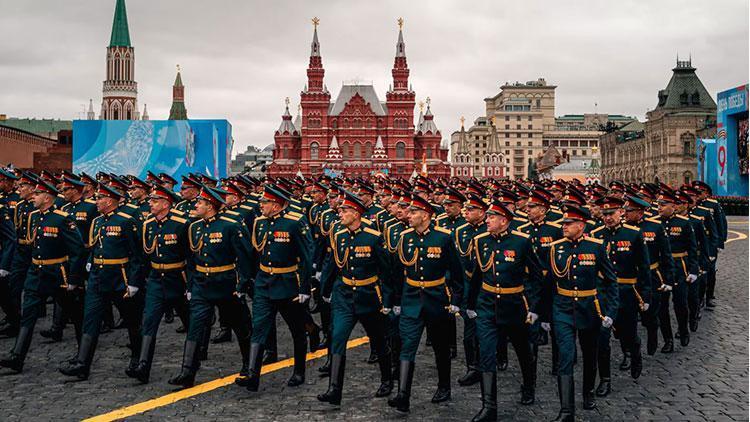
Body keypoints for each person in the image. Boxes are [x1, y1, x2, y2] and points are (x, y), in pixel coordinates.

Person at [168, 187, 253, 388]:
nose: (195, 206)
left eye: (199, 203)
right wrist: (190, 285)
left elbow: (245, 257)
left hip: (226, 285)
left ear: (210, 206)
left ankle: (249, 365)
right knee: (195, 327)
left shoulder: (230, 226)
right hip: (202, 285)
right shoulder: (194, 227)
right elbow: (191, 259)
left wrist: (241, 284)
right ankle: (187, 371)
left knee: (240, 326)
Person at [466, 199, 543, 422]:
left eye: (491, 218)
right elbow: (477, 275)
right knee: (487, 353)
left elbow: (537, 277)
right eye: (487, 217)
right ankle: (489, 407)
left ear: (504, 221)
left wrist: (535, 308)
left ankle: (529, 385)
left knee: (522, 350)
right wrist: (470, 305)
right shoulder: (480, 241)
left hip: (514, 305)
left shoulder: (522, 241)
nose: (487, 221)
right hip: (487, 305)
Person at [59, 184, 145, 380]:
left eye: (99, 199)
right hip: (98, 277)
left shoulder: (126, 221)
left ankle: (137, 359)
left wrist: (134, 282)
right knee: (90, 320)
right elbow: (94, 247)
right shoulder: (97, 221)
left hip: (119, 278)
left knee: (131, 320)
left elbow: (136, 255)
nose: (96, 202)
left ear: (109, 201)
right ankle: (82, 363)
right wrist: (90, 263)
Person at [387, 194, 463, 413]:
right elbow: (396, 272)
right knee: (407, 345)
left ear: (426, 215)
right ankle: (403, 394)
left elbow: (456, 272)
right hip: (411, 298)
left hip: (436, 298)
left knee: (440, 346)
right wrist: (396, 300)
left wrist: (456, 300)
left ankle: (444, 386)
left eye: (413, 213)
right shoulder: (404, 237)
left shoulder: (443, 238)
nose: (408, 216)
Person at [0, 180, 85, 372]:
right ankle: (17, 356)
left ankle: (82, 357)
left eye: (37, 195)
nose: (33, 197)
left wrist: (73, 278)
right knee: (28, 314)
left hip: (57, 273)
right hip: (36, 272)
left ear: (47, 198)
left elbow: (78, 250)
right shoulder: (34, 216)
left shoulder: (62, 218)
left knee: (74, 313)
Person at [317, 191, 393, 406]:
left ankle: (387, 379)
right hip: (344, 295)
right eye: (340, 210)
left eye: (344, 210)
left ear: (356, 213)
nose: (340, 213)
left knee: (378, 340)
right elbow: (333, 262)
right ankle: (334, 389)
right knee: (338, 338)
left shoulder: (374, 237)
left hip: (369, 296)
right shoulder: (338, 234)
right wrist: (325, 290)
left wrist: (388, 301)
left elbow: (386, 272)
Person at [544, 205, 618, 421]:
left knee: (589, 355)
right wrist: (545, 316)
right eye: (564, 224)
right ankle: (566, 411)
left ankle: (588, 392)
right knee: (565, 357)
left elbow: (611, 281)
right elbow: (548, 285)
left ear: (581, 225)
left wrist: (610, 312)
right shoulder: (555, 248)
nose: (564, 227)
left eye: (569, 224)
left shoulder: (596, 247)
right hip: (563, 309)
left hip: (589, 308)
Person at [244, 185, 312, 392]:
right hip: (265, 283)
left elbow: (306, 257)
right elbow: (255, 254)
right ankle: (253, 374)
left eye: (264, 202)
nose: (260, 206)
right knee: (259, 327)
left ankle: (299, 370)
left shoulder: (294, 222)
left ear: (275, 205)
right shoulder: (260, 222)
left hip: (288, 284)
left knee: (297, 329)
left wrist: (304, 289)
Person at [125, 185, 191, 384]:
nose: (150, 204)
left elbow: (191, 257)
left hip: (177, 279)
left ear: (165, 204)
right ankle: (143, 366)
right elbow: (143, 257)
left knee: (190, 321)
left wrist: (192, 287)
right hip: (156, 279)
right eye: (151, 200)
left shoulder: (182, 224)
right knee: (149, 322)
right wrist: (135, 282)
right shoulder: (148, 225)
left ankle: (192, 360)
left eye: (154, 201)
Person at [589, 196, 651, 398]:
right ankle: (605, 380)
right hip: (604, 294)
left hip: (626, 292)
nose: (607, 218)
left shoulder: (633, 235)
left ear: (621, 213)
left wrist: (645, 295)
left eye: (611, 214)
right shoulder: (596, 235)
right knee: (602, 338)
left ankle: (635, 352)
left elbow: (644, 267)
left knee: (628, 332)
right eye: (604, 214)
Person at [623, 195, 675, 355]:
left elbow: (666, 255)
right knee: (627, 318)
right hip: (630, 279)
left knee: (655, 313)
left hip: (652, 277)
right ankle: (629, 352)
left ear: (639, 212)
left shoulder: (655, 227)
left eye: (629, 211)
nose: (625, 213)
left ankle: (665, 339)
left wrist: (668, 280)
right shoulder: (622, 229)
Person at [657, 191, 697, 352]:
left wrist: (693, 270)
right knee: (662, 306)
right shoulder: (654, 223)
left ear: (673, 206)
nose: (659, 207)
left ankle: (683, 329)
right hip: (661, 269)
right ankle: (668, 339)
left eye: (663, 205)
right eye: (658, 204)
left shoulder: (684, 223)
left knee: (680, 302)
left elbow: (693, 249)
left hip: (680, 266)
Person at [454, 193, 487, 387]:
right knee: (469, 332)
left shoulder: (489, 229)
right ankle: (472, 367)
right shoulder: (461, 231)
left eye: (471, 210)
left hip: (487, 286)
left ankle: (491, 362)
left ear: (482, 213)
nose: (466, 212)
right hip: (468, 284)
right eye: (465, 209)